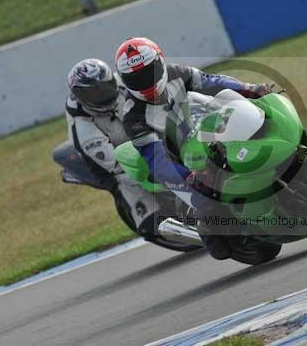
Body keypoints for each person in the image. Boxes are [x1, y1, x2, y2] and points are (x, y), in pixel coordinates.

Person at [115, 37, 272, 258]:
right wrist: (189, 177)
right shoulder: (133, 116)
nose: (144, 82)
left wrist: (248, 89)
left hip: (199, 132)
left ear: (160, 61)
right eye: (136, 79)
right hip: (176, 160)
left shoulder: (177, 73)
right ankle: (208, 231)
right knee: (206, 202)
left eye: (148, 73)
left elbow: (213, 82)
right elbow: (158, 160)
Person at [65, 58, 159, 237]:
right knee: (127, 180)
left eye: (106, 86)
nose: (103, 95)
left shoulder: (125, 85)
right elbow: (113, 162)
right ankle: (146, 216)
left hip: (138, 136)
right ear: (81, 96)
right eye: (94, 93)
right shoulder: (82, 124)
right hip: (111, 161)